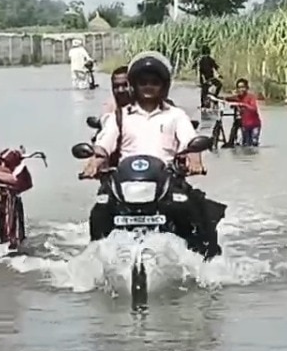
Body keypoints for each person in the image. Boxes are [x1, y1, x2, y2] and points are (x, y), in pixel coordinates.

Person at [81, 51, 220, 248]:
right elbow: (103, 145)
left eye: (154, 82)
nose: (148, 87)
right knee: (100, 211)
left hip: (167, 182)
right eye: (143, 82)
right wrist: (93, 163)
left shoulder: (175, 115)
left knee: (195, 212)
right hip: (124, 184)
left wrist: (195, 162)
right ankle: (97, 259)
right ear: (134, 85)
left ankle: (203, 264)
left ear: (163, 86)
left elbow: (191, 142)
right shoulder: (119, 116)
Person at [224, 78, 262, 146]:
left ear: (247, 88)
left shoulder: (251, 97)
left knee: (254, 143)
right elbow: (227, 99)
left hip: (254, 125)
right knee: (246, 145)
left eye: (242, 87)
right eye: (239, 87)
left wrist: (244, 105)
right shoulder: (237, 98)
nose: (241, 89)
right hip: (245, 125)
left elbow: (254, 109)